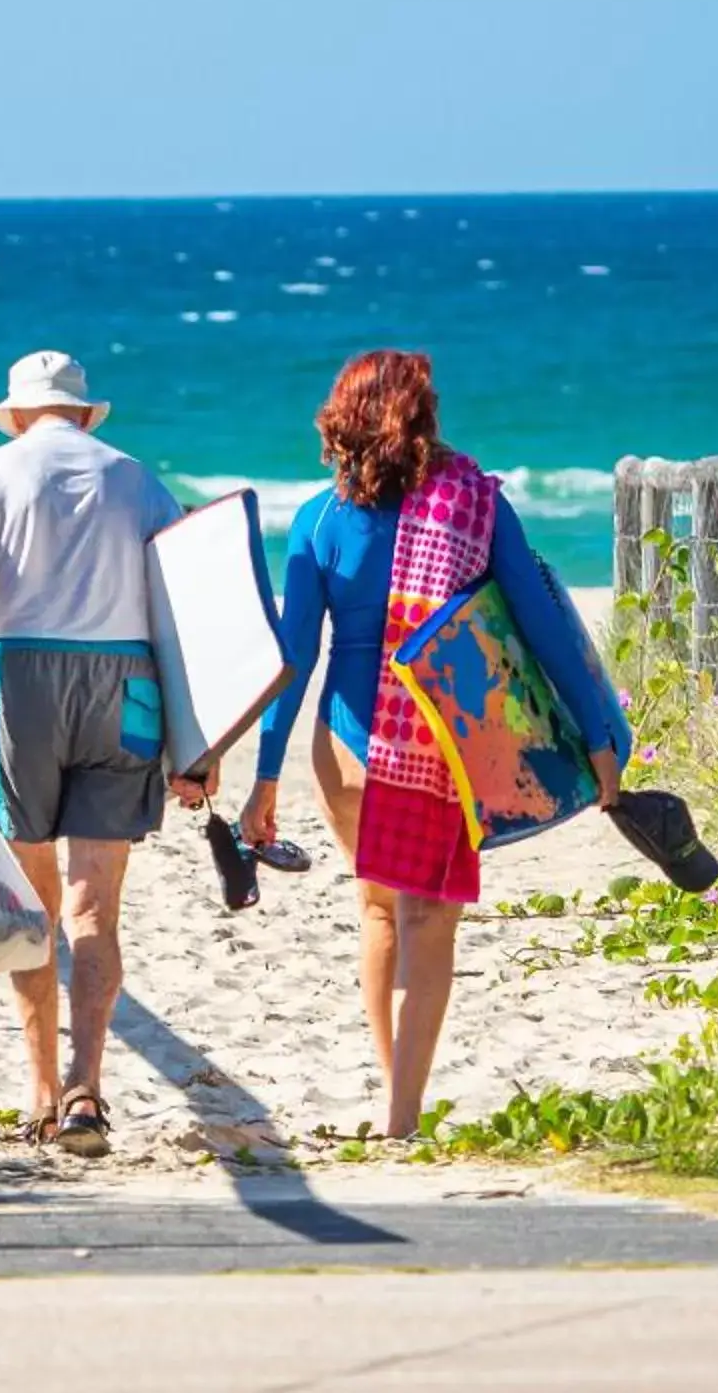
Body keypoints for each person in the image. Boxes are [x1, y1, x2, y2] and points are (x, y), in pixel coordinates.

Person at [238, 349, 623, 1144]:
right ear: (422, 419)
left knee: (378, 912)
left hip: (343, 747)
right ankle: (403, 1111)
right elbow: (544, 625)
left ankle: (394, 1095)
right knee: (429, 923)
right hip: (436, 739)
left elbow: (293, 658)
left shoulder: (317, 520)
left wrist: (264, 776)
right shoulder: (475, 507)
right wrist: (598, 732)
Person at [0, 349, 195, 1156]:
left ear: (17, 414)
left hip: (22, 684)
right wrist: (194, 740)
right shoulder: (140, 481)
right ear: (83, 413)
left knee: (33, 902)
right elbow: (185, 613)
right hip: (128, 684)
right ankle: (86, 1087)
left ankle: (40, 1088)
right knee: (94, 905)